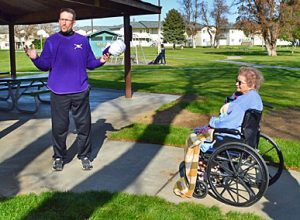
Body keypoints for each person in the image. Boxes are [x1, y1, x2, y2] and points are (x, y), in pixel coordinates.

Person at [24, 8, 110, 171]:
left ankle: (84, 155)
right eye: (61, 19)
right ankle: (59, 157)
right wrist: (35, 58)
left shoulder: (83, 41)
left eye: (67, 20)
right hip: (58, 92)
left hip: (80, 90)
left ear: (73, 22)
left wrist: (101, 60)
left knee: (84, 126)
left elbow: (90, 63)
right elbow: (45, 65)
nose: (63, 23)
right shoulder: (51, 41)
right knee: (59, 128)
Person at [174, 66, 264, 198]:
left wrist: (212, 122)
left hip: (231, 136)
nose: (236, 84)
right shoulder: (253, 97)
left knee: (194, 140)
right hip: (248, 137)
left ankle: (199, 175)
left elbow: (227, 123)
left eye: (240, 82)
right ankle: (213, 169)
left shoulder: (240, 104)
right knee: (200, 133)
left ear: (251, 85)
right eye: (236, 81)